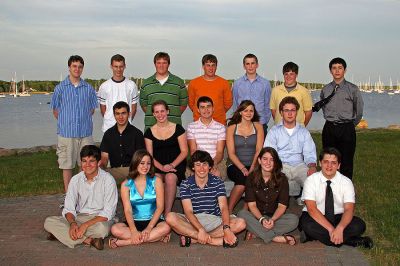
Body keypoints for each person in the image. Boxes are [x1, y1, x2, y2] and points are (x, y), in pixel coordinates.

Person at [44, 145, 118, 250]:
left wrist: (85, 225)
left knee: (103, 230)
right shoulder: (75, 180)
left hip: (100, 219)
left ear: (99, 162)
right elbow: (69, 208)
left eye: (91, 161)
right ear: (81, 162)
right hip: (80, 217)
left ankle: (63, 235)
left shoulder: (108, 180)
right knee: (49, 222)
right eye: (84, 161)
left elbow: (108, 212)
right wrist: (73, 224)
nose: (87, 165)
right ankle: (89, 240)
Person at [166, 150, 246, 247]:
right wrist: (200, 229)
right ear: (193, 167)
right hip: (193, 221)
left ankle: (194, 239)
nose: (202, 168)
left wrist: (226, 228)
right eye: (198, 165)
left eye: (205, 164)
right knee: (170, 217)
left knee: (241, 223)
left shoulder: (218, 182)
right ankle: (212, 240)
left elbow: (224, 207)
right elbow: (188, 211)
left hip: (214, 220)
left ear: (210, 167)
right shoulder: (186, 184)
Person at [299, 148, 373, 248]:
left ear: (338, 165)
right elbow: (312, 209)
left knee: (359, 225)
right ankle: (353, 241)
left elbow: (348, 209)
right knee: (307, 225)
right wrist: (331, 229)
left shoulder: (346, 182)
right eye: (326, 162)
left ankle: (313, 236)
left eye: (333, 163)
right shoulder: (311, 180)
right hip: (316, 216)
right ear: (320, 163)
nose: (329, 166)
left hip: (338, 216)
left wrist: (340, 228)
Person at [50, 55, 98, 193]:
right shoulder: (60, 88)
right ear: (69, 67)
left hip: (85, 133)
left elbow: (91, 110)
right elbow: (56, 111)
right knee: (67, 165)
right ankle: (69, 196)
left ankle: (83, 194)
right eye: (74, 66)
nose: (77, 69)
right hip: (67, 134)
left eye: (80, 66)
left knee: (86, 165)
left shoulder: (88, 88)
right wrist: (68, 122)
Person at [108, 150, 171, 248]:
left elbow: (160, 207)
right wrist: (133, 231)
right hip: (134, 221)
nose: (145, 167)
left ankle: (126, 242)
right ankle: (155, 237)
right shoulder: (126, 184)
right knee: (115, 229)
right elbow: (128, 210)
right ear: (135, 163)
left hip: (154, 221)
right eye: (142, 163)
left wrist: (149, 228)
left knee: (166, 227)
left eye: (148, 163)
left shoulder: (156, 181)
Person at [237, 147, 298, 245]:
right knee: (242, 214)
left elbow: (282, 206)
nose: (268, 163)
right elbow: (251, 205)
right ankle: (275, 238)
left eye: (272, 159)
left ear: (276, 162)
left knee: (294, 220)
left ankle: (257, 232)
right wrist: (261, 219)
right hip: (256, 216)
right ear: (259, 160)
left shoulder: (282, 179)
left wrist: (272, 220)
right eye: (265, 159)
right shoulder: (251, 178)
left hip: (275, 218)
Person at [264, 96, 317, 204]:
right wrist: (273, 168)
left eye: (292, 110)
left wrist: (312, 166)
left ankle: (307, 206)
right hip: (281, 165)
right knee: (274, 182)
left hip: (299, 165)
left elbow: (309, 152)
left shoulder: (303, 132)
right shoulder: (274, 131)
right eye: (286, 110)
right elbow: (269, 153)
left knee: (313, 181)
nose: (289, 113)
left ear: (297, 112)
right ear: (281, 112)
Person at [320, 58, 363, 180]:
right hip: (329, 128)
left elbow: (359, 111)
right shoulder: (325, 89)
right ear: (330, 71)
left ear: (345, 70)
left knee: (347, 161)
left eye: (340, 68)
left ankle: (346, 189)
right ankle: (330, 186)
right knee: (329, 160)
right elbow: (324, 108)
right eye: (334, 68)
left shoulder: (353, 89)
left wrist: (350, 125)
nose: (337, 71)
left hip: (347, 128)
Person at [144, 100, 188, 215]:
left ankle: (167, 214)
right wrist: (162, 168)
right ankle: (157, 212)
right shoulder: (149, 132)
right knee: (156, 179)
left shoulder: (178, 129)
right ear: (153, 114)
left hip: (176, 166)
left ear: (167, 111)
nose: (160, 114)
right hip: (157, 166)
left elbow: (184, 151)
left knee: (170, 178)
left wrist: (171, 165)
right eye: (157, 112)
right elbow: (150, 156)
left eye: (162, 111)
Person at [226, 100, 264, 213]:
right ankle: (228, 210)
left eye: (251, 110)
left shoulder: (258, 127)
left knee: (252, 179)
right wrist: (242, 168)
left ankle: (245, 211)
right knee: (242, 182)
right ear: (240, 112)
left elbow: (259, 150)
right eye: (245, 110)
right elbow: (231, 153)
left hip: (254, 164)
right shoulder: (232, 128)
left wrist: (252, 167)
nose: (248, 113)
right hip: (235, 165)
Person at [140, 52, 188, 130]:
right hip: (152, 127)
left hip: (174, 128)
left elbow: (183, 105)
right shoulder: (146, 83)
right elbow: (144, 106)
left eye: (164, 63)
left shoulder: (179, 82)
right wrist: (159, 115)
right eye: (158, 63)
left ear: (168, 64)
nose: (161, 66)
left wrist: (172, 114)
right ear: (155, 64)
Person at [100, 101, 145, 180]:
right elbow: (104, 157)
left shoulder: (137, 134)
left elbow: (141, 158)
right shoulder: (108, 134)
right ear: (114, 115)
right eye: (117, 113)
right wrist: (101, 168)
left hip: (132, 170)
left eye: (123, 113)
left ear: (129, 114)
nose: (120, 117)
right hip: (114, 171)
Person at [97, 54, 139, 133]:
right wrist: (109, 119)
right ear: (111, 66)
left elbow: (134, 108)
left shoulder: (131, 85)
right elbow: (103, 109)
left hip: (127, 128)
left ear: (125, 66)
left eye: (121, 66)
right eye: (116, 66)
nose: (118, 69)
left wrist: (127, 120)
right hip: (108, 127)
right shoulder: (104, 86)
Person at [232, 54, 272, 135]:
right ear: (244, 66)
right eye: (247, 64)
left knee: (261, 148)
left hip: (260, 123)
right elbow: (235, 104)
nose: (250, 66)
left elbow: (268, 105)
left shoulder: (265, 83)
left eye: (253, 63)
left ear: (257, 65)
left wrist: (263, 121)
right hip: (241, 124)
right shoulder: (237, 83)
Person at [188, 54, 232, 125]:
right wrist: (203, 113)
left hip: (219, 123)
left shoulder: (224, 83)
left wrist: (218, 112)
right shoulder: (193, 83)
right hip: (199, 124)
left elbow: (228, 103)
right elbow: (191, 103)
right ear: (203, 67)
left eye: (213, 65)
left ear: (216, 67)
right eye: (208, 65)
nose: (211, 68)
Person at [187, 96, 226, 178]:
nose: (206, 110)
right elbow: (193, 150)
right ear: (198, 110)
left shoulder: (221, 127)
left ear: (213, 108)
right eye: (202, 107)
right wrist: (201, 165)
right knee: (195, 176)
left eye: (209, 106)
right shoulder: (191, 127)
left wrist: (212, 164)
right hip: (197, 161)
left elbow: (219, 152)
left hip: (215, 161)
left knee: (216, 175)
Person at [270, 62, 313, 126]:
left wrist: (301, 126)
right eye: (286, 74)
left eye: (291, 74)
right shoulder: (275, 90)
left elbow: (308, 112)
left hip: (298, 130)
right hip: (279, 129)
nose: (288, 76)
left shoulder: (304, 91)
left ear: (296, 75)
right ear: (283, 75)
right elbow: (273, 110)